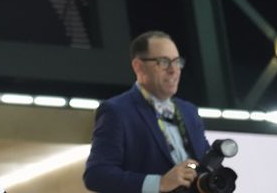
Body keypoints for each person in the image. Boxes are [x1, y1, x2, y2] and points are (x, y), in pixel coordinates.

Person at [84, 31, 210, 193]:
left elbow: (197, 163)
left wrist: (198, 169)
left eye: (177, 61)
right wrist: (159, 183)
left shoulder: (189, 111)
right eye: (164, 62)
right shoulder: (117, 111)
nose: (174, 70)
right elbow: (96, 175)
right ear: (138, 67)